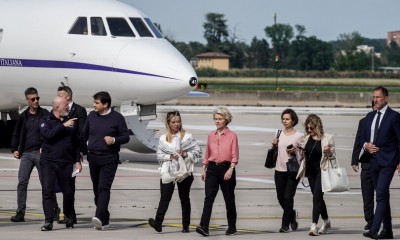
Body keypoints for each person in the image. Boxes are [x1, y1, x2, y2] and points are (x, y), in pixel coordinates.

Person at [80, 91, 130, 230]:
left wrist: (114, 140)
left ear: (105, 104)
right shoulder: (91, 116)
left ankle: (98, 216)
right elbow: (83, 136)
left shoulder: (117, 118)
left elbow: (126, 137)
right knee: (97, 190)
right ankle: (105, 218)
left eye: (96, 103)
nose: (93, 105)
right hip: (93, 158)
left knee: (103, 188)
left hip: (109, 159)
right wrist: (79, 151)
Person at [148, 110, 202, 233]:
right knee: (164, 198)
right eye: (173, 122)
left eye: (178, 121)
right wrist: (170, 156)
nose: (176, 124)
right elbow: (159, 155)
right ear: (168, 123)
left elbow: (198, 152)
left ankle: (186, 225)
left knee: (184, 198)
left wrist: (185, 153)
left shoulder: (187, 137)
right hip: (169, 172)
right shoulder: (163, 138)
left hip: (184, 172)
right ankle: (158, 223)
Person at [361, 86, 400, 239]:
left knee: (381, 194)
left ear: (386, 98)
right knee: (383, 196)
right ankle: (388, 231)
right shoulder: (369, 117)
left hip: (388, 161)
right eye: (374, 97)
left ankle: (374, 229)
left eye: (378, 97)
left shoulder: (394, 117)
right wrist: (366, 145)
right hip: (372, 162)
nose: (375, 100)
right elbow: (362, 137)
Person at [39, 96, 82, 231]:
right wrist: (63, 126)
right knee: (48, 191)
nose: (68, 107)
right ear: (57, 107)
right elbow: (48, 135)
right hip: (49, 162)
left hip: (66, 162)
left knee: (68, 192)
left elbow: (75, 143)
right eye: (65, 105)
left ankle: (68, 216)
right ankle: (48, 221)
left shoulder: (71, 123)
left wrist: (77, 160)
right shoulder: (45, 120)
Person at [196, 106, 239, 237]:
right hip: (212, 169)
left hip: (227, 168)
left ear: (226, 120)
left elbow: (235, 155)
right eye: (215, 119)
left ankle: (232, 227)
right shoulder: (211, 135)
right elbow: (207, 154)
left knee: (229, 199)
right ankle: (204, 227)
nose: (217, 121)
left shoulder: (232, 136)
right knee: (208, 198)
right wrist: (204, 169)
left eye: (220, 119)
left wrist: (231, 169)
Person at [10, 87, 49, 222]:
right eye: (33, 99)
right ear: (27, 100)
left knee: (46, 183)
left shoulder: (45, 114)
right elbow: (16, 133)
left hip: (40, 153)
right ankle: (20, 212)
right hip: (26, 154)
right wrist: (15, 149)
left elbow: (51, 131)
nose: (36, 101)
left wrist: (46, 147)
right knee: (22, 182)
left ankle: (53, 209)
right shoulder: (23, 117)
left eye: (37, 98)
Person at [296, 114, 334, 236]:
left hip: (322, 172)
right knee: (318, 198)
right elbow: (303, 155)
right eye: (307, 128)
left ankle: (313, 226)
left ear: (317, 126)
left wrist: (329, 152)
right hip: (310, 172)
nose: (309, 131)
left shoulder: (327, 138)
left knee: (316, 198)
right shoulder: (306, 138)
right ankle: (327, 221)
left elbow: (333, 157)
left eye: (311, 128)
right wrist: (301, 154)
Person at [56, 86, 87, 224]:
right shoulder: (58, 109)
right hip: (58, 152)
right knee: (62, 185)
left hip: (72, 152)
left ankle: (70, 215)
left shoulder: (79, 110)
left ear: (68, 96)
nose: (58, 98)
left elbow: (82, 133)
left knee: (70, 186)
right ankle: (68, 214)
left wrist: (79, 153)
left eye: (60, 95)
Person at [271, 109, 303, 233]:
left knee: (288, 197)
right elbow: (275, 150)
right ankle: (291, 214)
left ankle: (285, 225)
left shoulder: (299, 135)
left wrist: (295, 152)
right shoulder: (278, 133)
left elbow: (303, 153)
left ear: (293, 120)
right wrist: (274, 145)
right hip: (279, 170)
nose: (285, 121)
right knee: (280, 197)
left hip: (293, 170)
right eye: (283, 119)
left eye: (287, 119)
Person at [351, 101, 375, 231]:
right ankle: (370, 220)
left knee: (382, 195)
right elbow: (358, 141)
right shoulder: (364, 121)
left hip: (381, 164)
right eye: (374, 106)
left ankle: (381, 219)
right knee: (367, 195)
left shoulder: (388, 121)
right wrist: (354, 160)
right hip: (366, 163)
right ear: (372, 108)